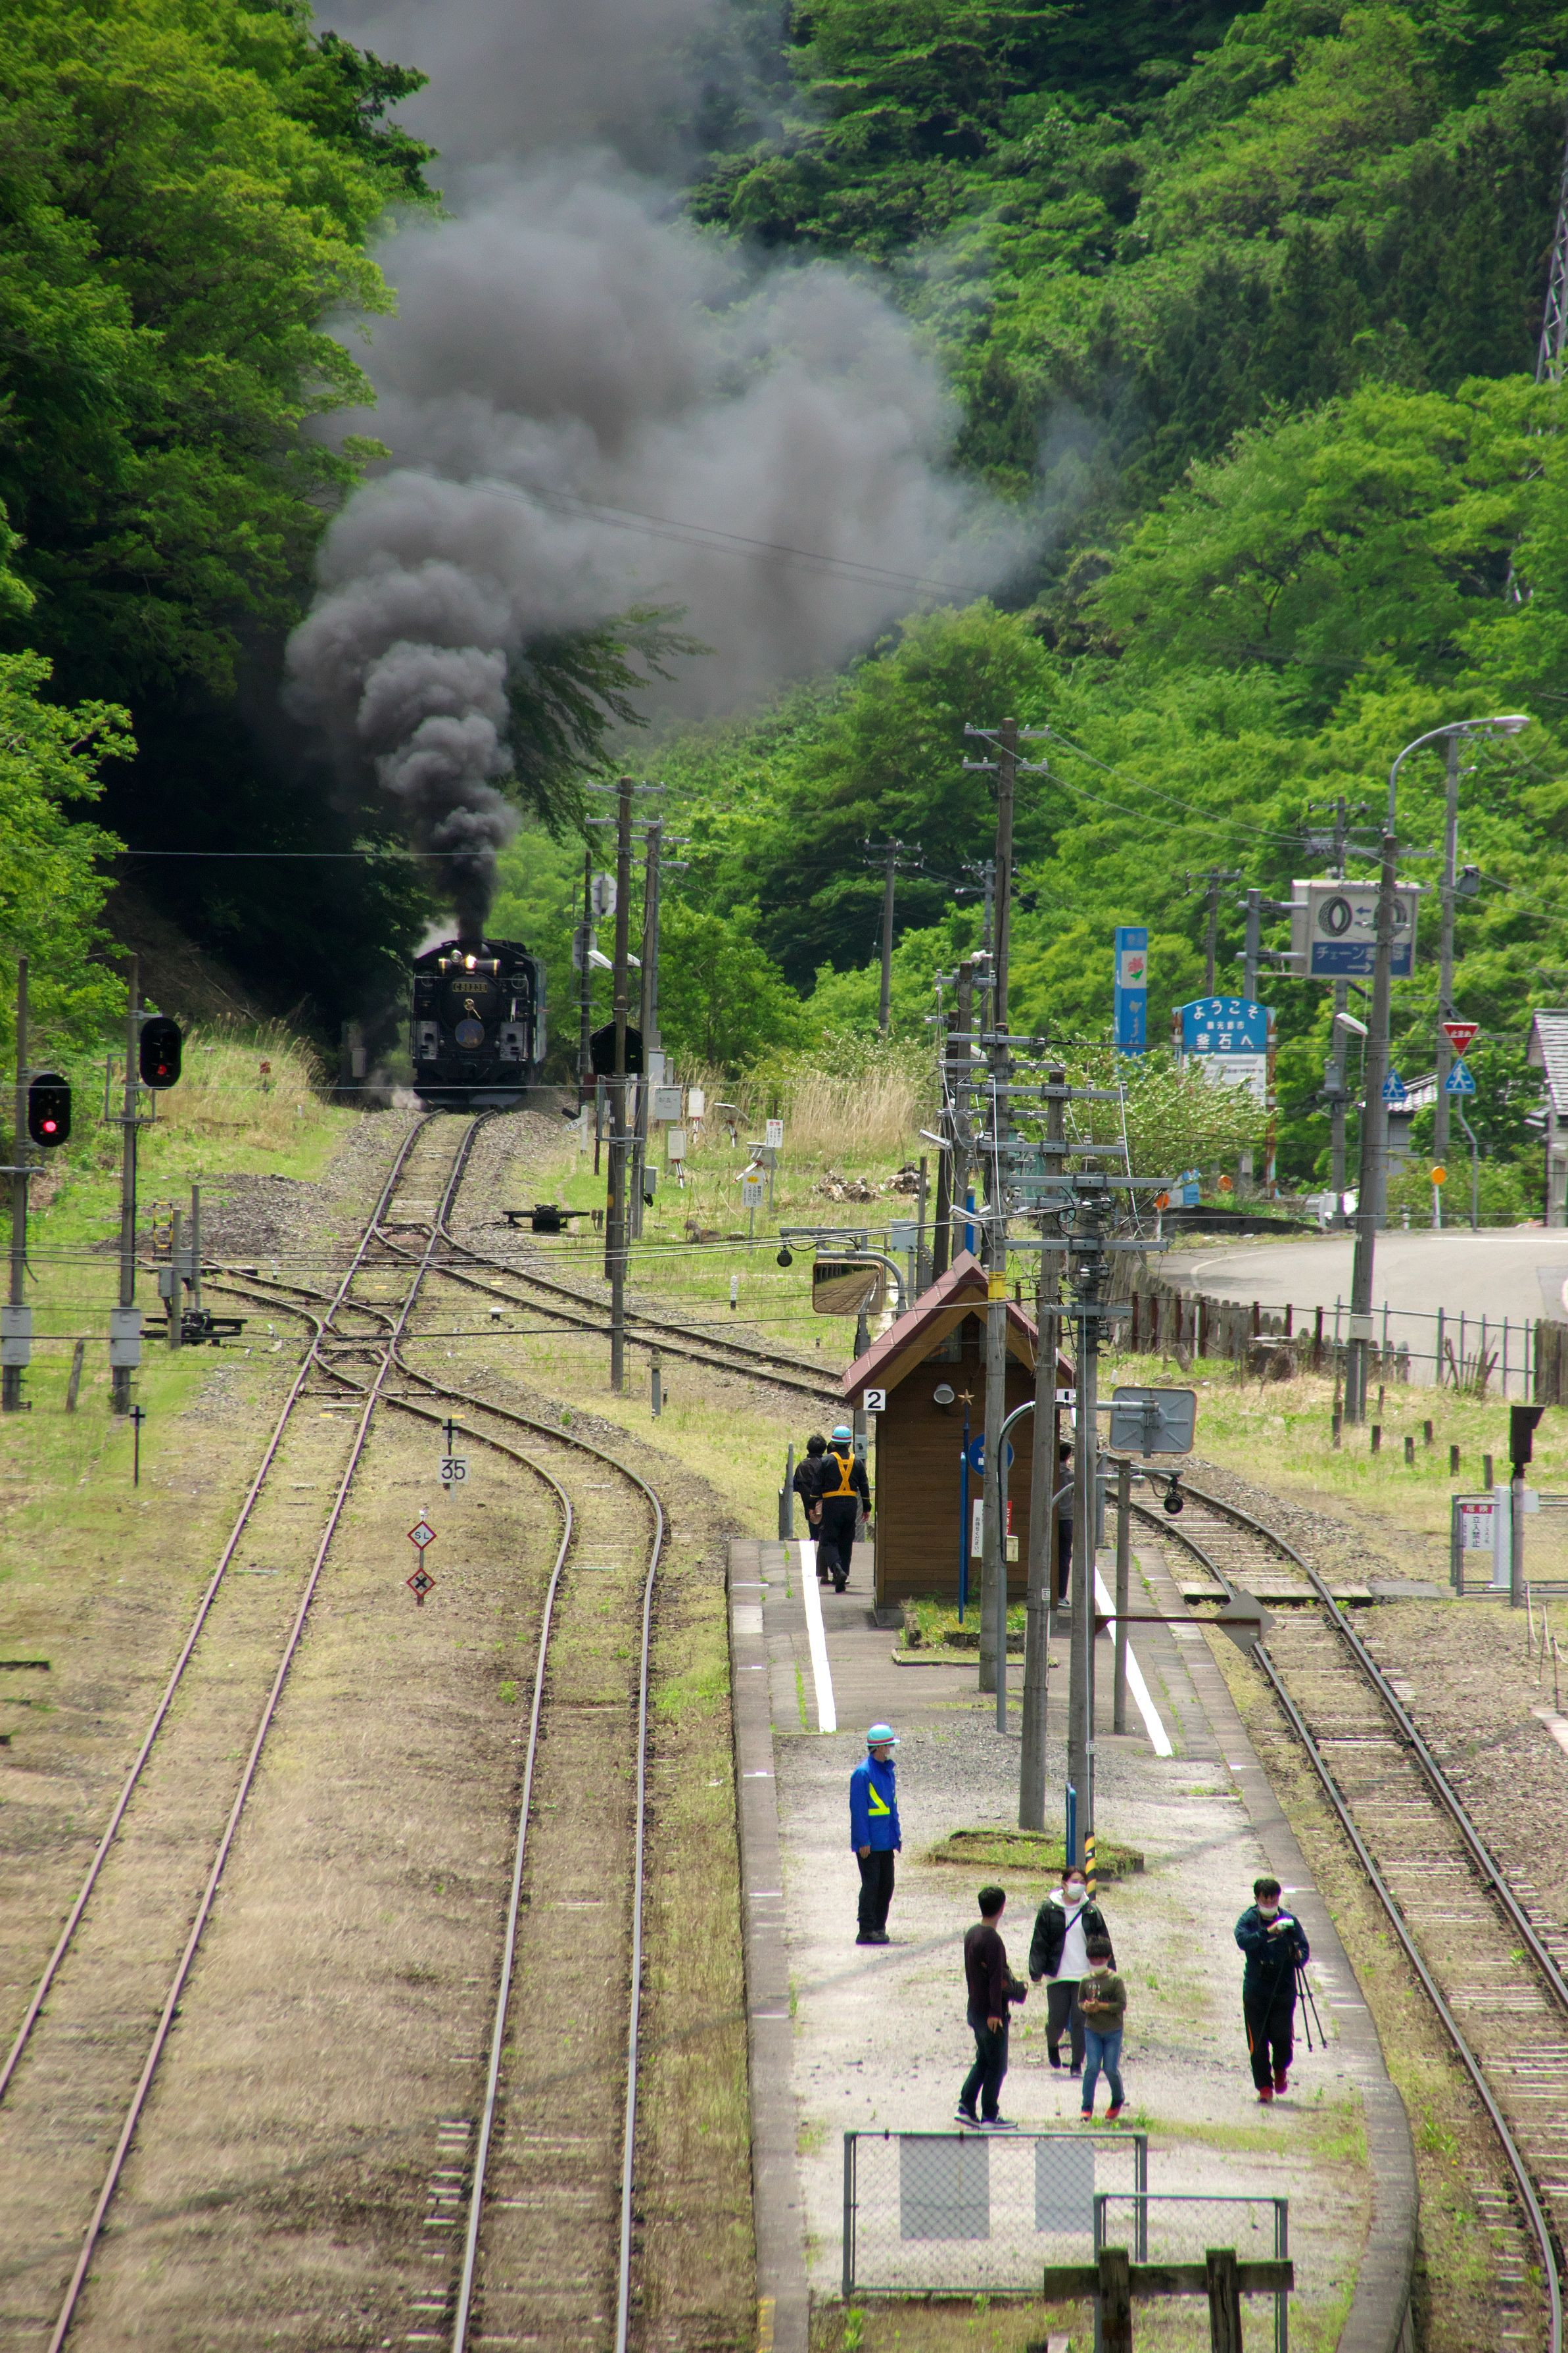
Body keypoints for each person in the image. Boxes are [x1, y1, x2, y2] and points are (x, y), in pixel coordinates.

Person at [1029, 1862, 1113, 2075]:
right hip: (1058, 1974)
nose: (1079, 1885)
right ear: (1064, 1884)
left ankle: (1077, 2064)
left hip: (1085, 1975)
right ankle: (1052, 2044)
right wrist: (1036, 1969)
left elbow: (1103, 1943)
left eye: (1082, 1882)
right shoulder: (1049, 1910)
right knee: (1056, 2021)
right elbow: (1040, 1941)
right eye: (1075, 1881)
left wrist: (1109, 1971)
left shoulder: (1091, 1911)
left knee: (1080, 2021)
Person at [1234, 1876, 1310, 2102]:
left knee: (1282, 2036)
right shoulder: (1248, 1919)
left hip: (1283, 1986)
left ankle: (1280, 2068)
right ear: (1257, 1899)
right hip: (1256, 1987)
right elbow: (1243, 1940)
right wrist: (1268, 1932)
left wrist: (1298, 1956)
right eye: (1265, 1900)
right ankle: (1264, 2088)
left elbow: (1304, 1949)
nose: (1269, 1904)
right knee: (1257, 2042)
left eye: (1273, 1900)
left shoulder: (1290, 1921)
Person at [957, 1885, 1026, 2129]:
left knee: (984, 2060)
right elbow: (996, 1978)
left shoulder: (972, 1933)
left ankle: (966, 2105)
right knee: (997, 2065)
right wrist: (996, 2012)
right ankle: (989, 2114)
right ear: (1002, 1908)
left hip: (974, 2008)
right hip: (991, 2013)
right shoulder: (993, 1940)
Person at [849, 1724, 901, 1944]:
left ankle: (879, 1927)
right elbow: (858, 1811)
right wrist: (863, 1841)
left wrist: (896, 1836)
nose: (890, 1749)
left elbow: (891, 1807)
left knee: (886, 1885)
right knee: (871, 1886)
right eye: (888, 1745)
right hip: (870, 1843)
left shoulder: (887, 1771)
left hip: (886, 1840)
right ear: (879, 1748)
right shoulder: (863, 1774)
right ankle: (867, 1929)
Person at [817, 1424, 871, 1594]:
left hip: (831, 1503)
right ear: (849, 1444)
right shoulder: (857, 1462)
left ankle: (837, 1569)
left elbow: (816, 1485)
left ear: (833, 1443)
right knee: (846, 1541)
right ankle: (842, 1578)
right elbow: (864, 1485)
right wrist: (867, 1507)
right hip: (851, 1505)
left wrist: (812, 1505)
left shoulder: (826, 1461)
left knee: (828, 1540)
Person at [1078, 1935, 1127, 2122]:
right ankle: (1086, 2107)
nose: (1097, 1963)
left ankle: (1117, 2098)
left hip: (1113, 2031)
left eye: (1100, 1960)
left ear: (1108, 1958)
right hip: (1092, 2030)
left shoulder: (1115, 1980)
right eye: (1093, 1960)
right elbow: (1080, 2002)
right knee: (1092, 2067)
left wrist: (1101, 2006)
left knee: (1110, 2068)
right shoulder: (1085, 1981)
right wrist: (1086, 2007)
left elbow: (1121, 2005)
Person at [793, 1434, 828, 1572]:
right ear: (824, 1449)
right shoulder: (826, 1463)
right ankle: (825, 1567)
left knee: (814, 1535)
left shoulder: (802, 1466)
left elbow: (795, 1485)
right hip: (827, 1505)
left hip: (809, 1506)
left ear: (808, 1448)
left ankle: (816, 1565)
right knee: (827, 1537)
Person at [1055, 1443, 1074, 1605]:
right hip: (1066, 1520)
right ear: (1068, 1457)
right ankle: (1061, 1595)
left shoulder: (1049, 1473)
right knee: (1064, 1557)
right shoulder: (1070, 1476)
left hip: (1050, 1518)